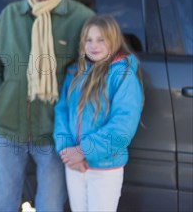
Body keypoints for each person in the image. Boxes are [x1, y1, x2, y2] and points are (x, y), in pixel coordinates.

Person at [0, 0, 94, 211]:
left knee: (50, 205)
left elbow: (91, 74)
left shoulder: (80, 19)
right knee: (3, 201)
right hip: (9, 128)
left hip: (55, 132)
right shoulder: (11, 15)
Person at [54, 15, 144, 212]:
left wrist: (83, 151)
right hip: (75, 166)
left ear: (114, 40)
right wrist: (66, 150)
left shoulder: (122, 75)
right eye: (89, 39)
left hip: (104, 168)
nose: (94, 45)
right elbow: (61, 111)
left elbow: (122, 126)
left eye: (101, 39)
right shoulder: (75, 72)